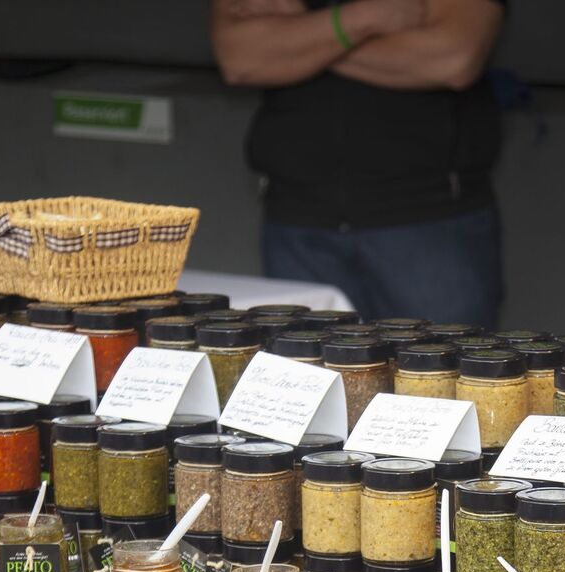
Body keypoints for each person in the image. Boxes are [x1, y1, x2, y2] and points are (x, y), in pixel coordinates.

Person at [211, 0, 507, 327]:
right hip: (298, 218)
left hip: (430, 219)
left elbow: (453, 59)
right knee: (299, 359)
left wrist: (302, 33)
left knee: (440, 360)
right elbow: (240, 58)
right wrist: (364, 19)